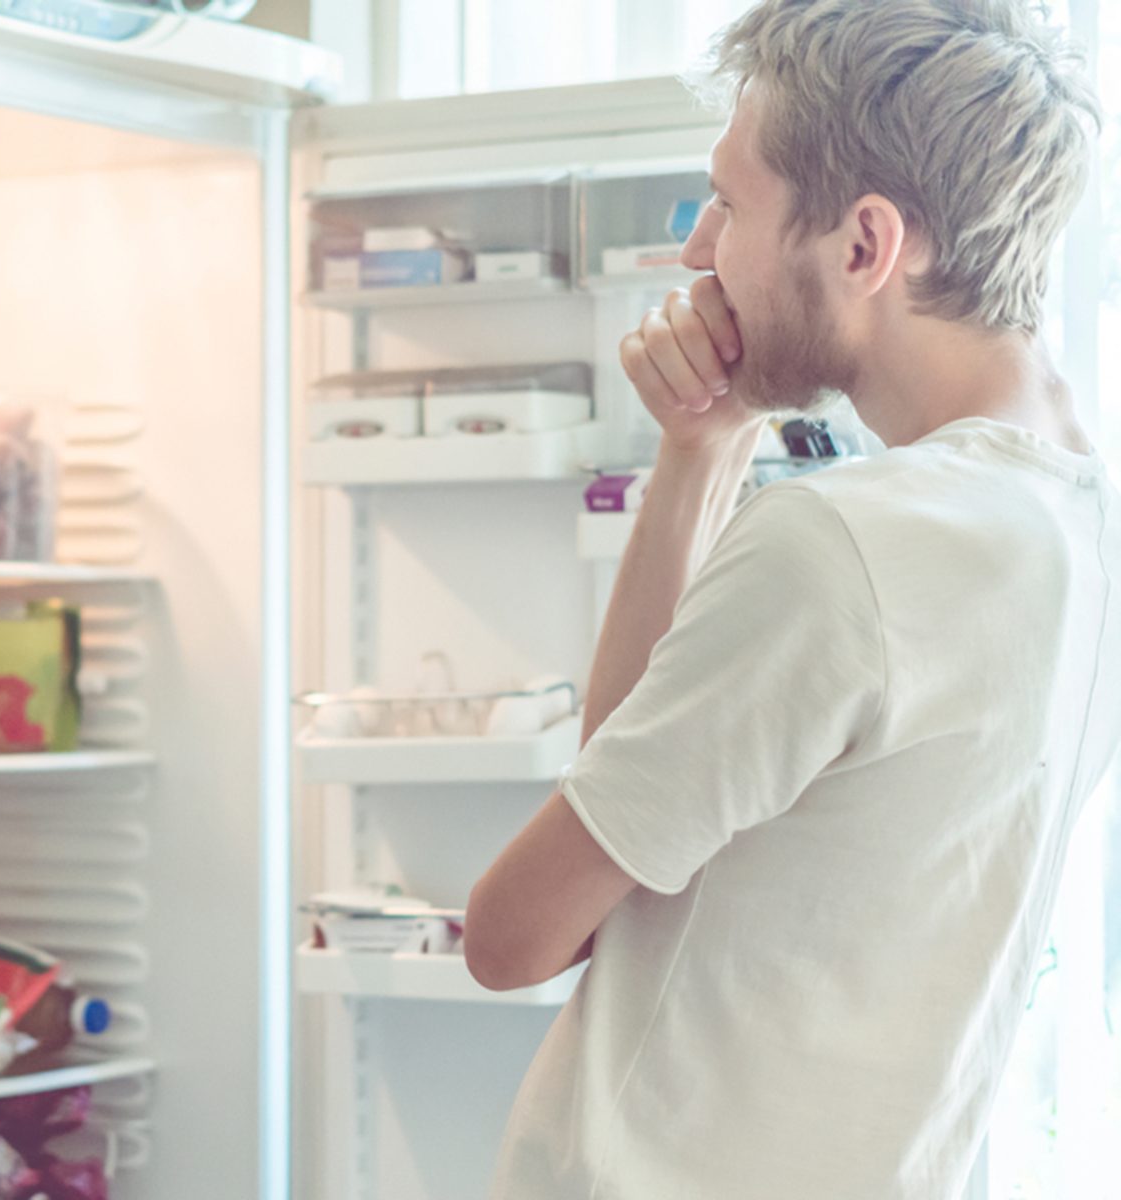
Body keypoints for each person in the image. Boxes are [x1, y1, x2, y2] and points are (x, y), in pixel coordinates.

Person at [462, 1, 1121, 1198]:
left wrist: (712, 466)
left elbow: (514, 935)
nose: (697, 248)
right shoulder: (1080, 524)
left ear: (867, 245)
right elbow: (642, 809)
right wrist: (700, 453)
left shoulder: (843, 547)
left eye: (729, 203)